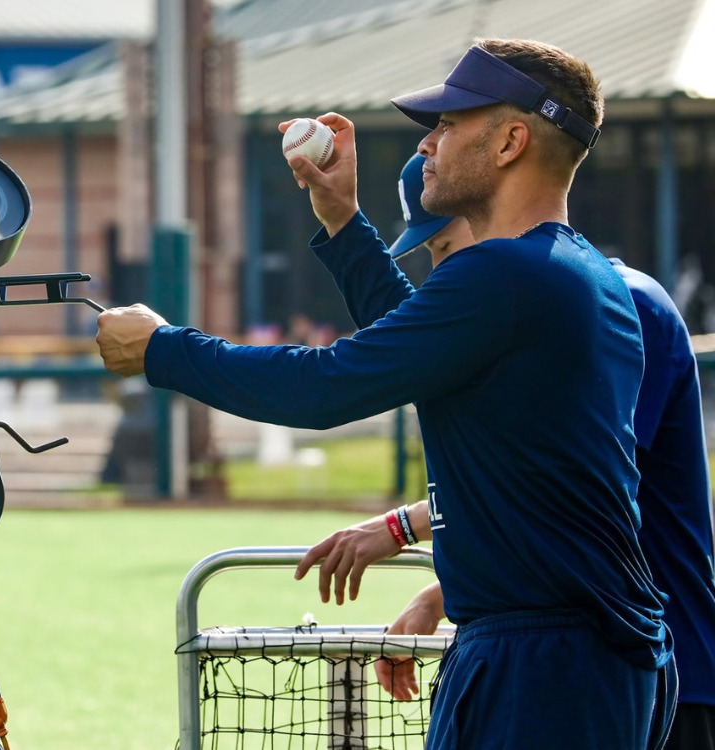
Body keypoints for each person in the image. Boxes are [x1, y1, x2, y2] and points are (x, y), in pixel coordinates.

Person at [96, 39, 677, 748]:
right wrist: (342, 220)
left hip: (546, 662)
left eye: (449, 124)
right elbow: (413, 355)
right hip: (563, 653)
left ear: (510, 142)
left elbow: (323, 388)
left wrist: (162, 350)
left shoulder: (509, 274)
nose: (428, 143)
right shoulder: (571, 269)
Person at [305, 150, 715, 748]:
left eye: (444, 250)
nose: (439, 275)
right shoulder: (530, 309)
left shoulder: (618, 301)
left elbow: (588, 488)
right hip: (586, 654)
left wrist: (405, 530)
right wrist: (445, 589)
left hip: (657, 667)